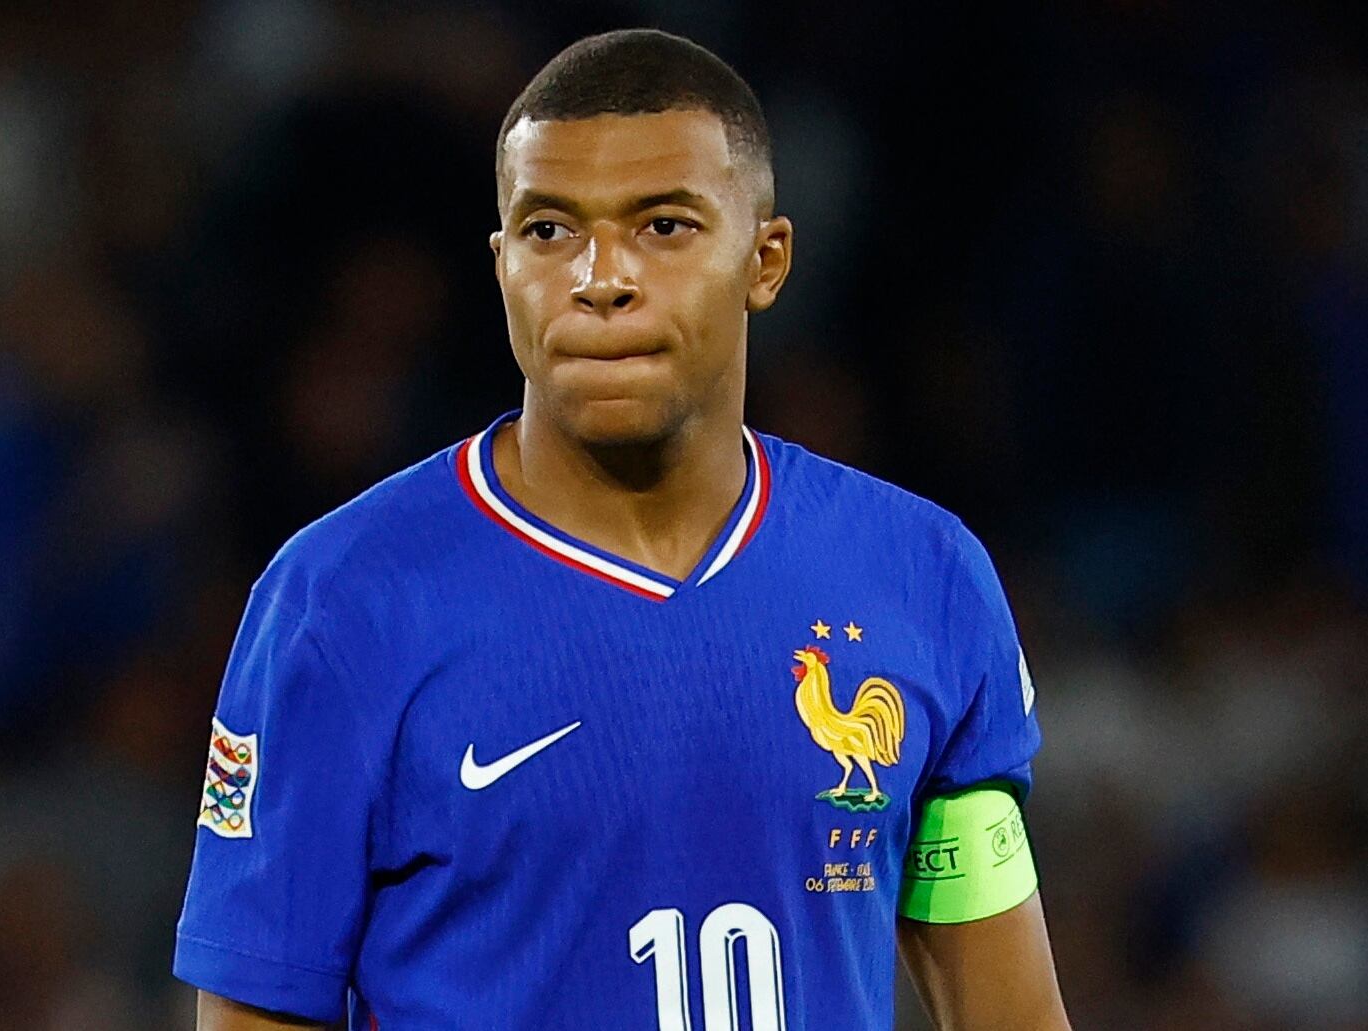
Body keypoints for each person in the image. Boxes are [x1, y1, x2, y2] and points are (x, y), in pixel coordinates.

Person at [174, 28, 1071, 1030]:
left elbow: (1013, 1014)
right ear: (502, 261)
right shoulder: (339, 601)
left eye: (665, 225)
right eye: (551, 230)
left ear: (765, 259)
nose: (601, 276)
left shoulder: (926, 576)